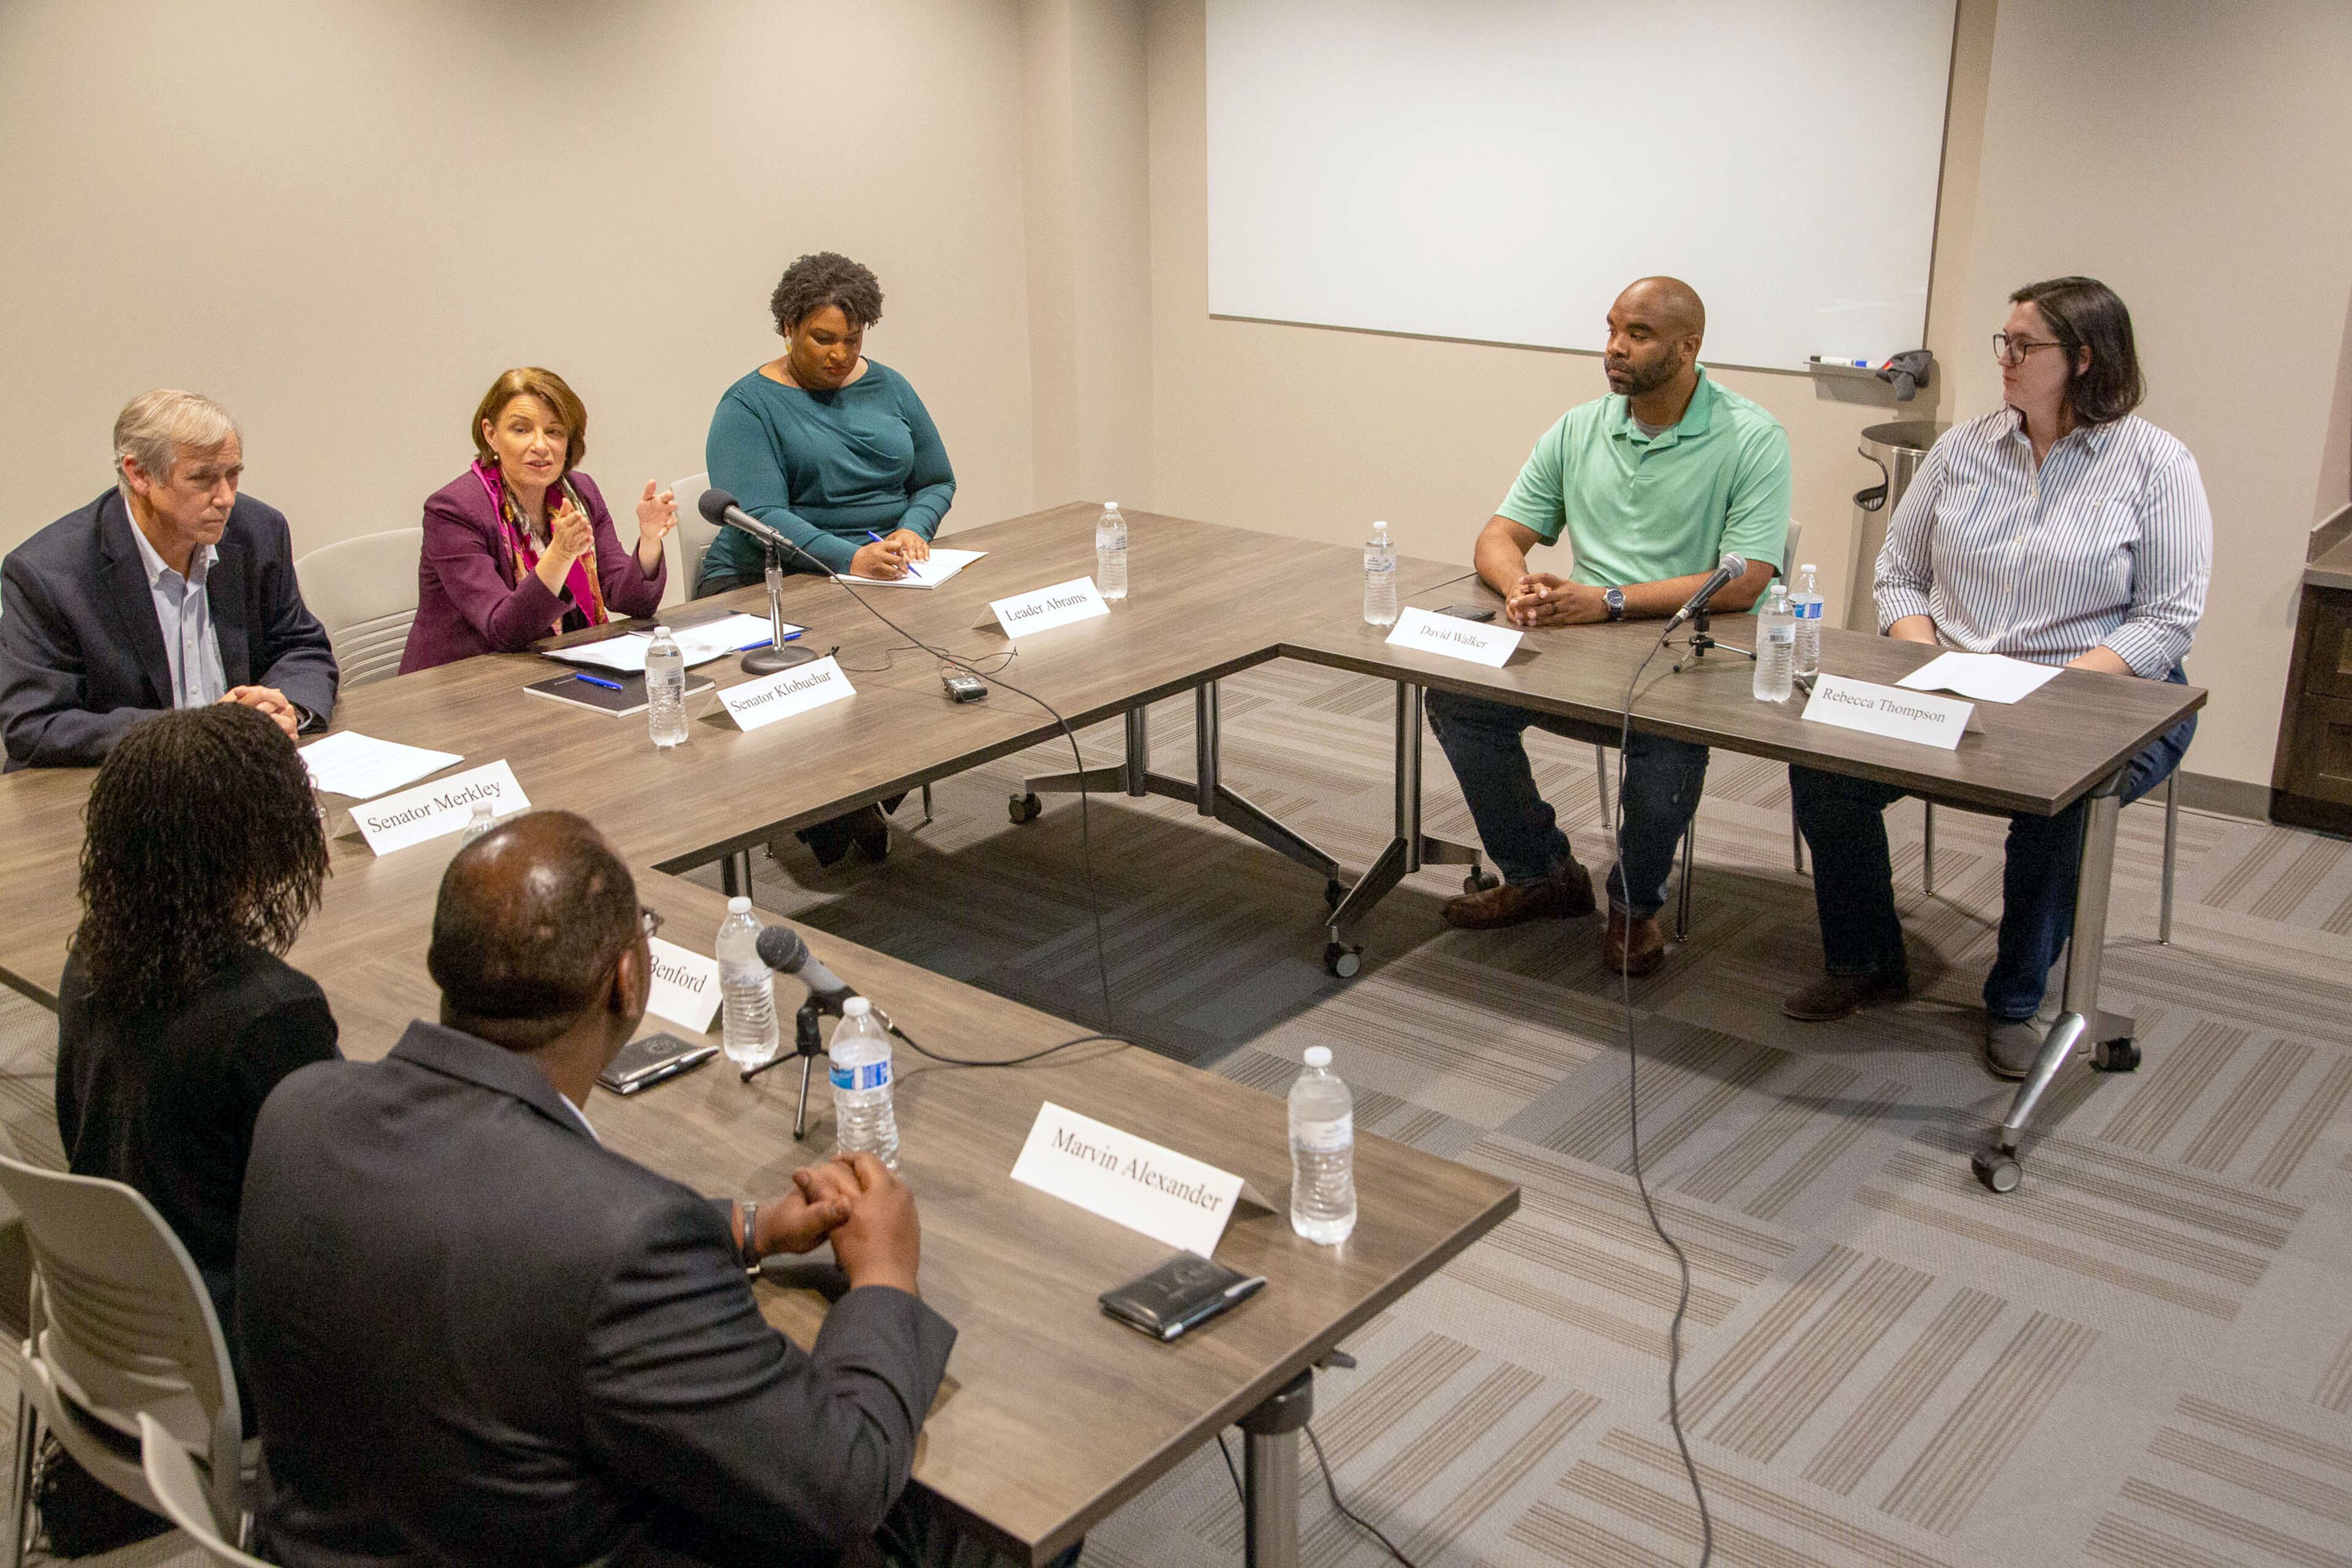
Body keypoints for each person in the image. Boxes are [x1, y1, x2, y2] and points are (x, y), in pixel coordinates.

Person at [237, 810, 971, 1568]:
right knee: (968, 1514)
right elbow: (843, 1478)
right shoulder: (621, 1240)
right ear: (627, 979)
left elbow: (486, 1236)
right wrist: (885, 1273)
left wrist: (746, 1228)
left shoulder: (301, 1109)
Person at [1782, 277, 2209, 1077]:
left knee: (2065, 805)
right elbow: (1899, 577)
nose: (2005, 359)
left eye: (2025, 346)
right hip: (1954, 678)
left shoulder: (2156, 464)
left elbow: (2166, 619)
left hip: (2104, 694)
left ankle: (2016, 1000)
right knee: (1827, 768)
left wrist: (2044, 695)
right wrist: (1924, 658)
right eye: (2002, 343)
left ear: (2082, 359)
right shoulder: (1963, 449)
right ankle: (1868, 961)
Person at [1428, 277, 1792, 974]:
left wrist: (1609, 601)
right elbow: (1498, 536)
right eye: (1613, 329)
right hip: (1580, 642)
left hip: (1683, 652)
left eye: (1639, 334)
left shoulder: (1752, 437)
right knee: (1456, 698)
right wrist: (1520, 584)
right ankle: (1543, 874)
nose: (1616, 348)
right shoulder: (1581, 426)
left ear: (1690, 347)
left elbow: (1745, 580)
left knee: (1667, 747)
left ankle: (1634, 906)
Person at [43, 704, 337, 1555]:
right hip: (225, 1349)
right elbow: (338, 1214)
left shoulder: (90, 959)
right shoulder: (269, 1014)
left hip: (112, 1325)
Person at [704, 251, 951, 865]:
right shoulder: (747, 407)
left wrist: (912, 531)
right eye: (822, 338)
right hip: (767, 577)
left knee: (925, 671)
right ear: (787, 326)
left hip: (881, 568)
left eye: (852, 338)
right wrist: (852, 558)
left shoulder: (890, 386)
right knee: (837, 688)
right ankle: (830, 808)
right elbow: (764, 514)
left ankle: (857, 797)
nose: (840, 353)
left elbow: (935, 480)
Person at [0, 389, 337, 769]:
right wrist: (194, 735)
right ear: (139, 473)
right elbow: (36, 725)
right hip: (120, 789)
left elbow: (301, 646)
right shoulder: (48, 572)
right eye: (203, 479)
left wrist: (285, 708)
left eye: (233, 475)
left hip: (244, 776)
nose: (225, 497)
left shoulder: (258, 530)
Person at [401, 367, 674, 673]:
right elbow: (504, 630)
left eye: (554, 432)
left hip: (554, 669)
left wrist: (650, 541)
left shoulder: (580, 493)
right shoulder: (454, 510)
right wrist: (559, 555)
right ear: (491, 434)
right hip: (461, 688)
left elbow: (633, 603)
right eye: (521, 430)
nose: (541, 445)